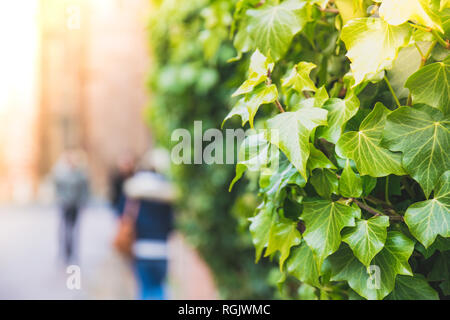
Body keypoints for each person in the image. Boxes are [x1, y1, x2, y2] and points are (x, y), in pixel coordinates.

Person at [122, 148, 175, 300]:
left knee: (144, 290)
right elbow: (171, 225)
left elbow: (125, 216)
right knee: (159, 290)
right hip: (161, 250)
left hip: (141, 249)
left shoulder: (134, 191)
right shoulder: (166, 192)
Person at [52, 149, 89, 264]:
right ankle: (64, 253)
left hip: (75, 205)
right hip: (65, 205)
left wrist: (83, 202)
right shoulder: (61, 173)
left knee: (74, 230)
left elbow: (84, 190)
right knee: (65, 230)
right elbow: (57, 188)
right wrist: (61, 199)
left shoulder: (80, 174)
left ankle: (73, 253)